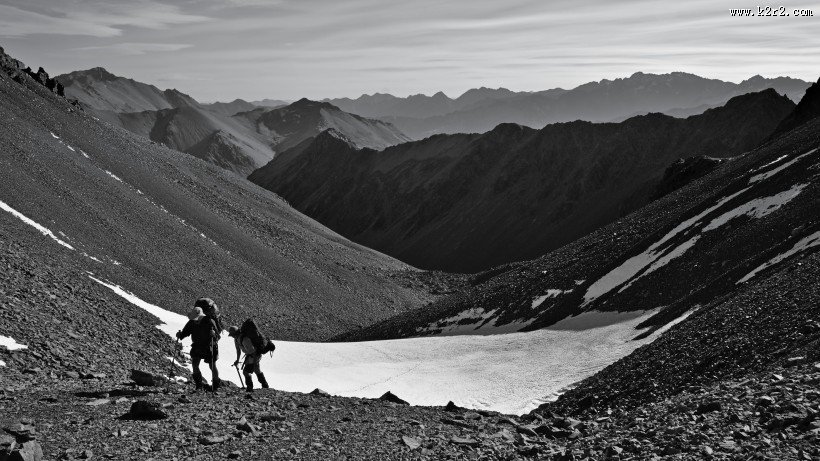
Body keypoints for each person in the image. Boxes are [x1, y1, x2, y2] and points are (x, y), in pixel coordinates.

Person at [176, 305, 220, 392]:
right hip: (197, 345)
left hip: (209, 345)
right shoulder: (191, 322)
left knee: (212, 366)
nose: (196, 320)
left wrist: (214, 334)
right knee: (195, 364)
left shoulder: (209, 321)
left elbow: (217, 336)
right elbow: (185, 332)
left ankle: (215, 386)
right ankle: (199, 385)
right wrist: (180, 335)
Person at [228, 325, 269, 392]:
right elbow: (238, 350)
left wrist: (255, 362)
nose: (232, 336)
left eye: (232, 335)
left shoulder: (245, 339)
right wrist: (237, 360)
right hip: (251, 355)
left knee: (246, 372)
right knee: (257, 370)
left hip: (254, 355)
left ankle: (250, 387)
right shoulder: (236, 340)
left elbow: (253, 351)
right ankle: (265, 385)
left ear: (236, 334)